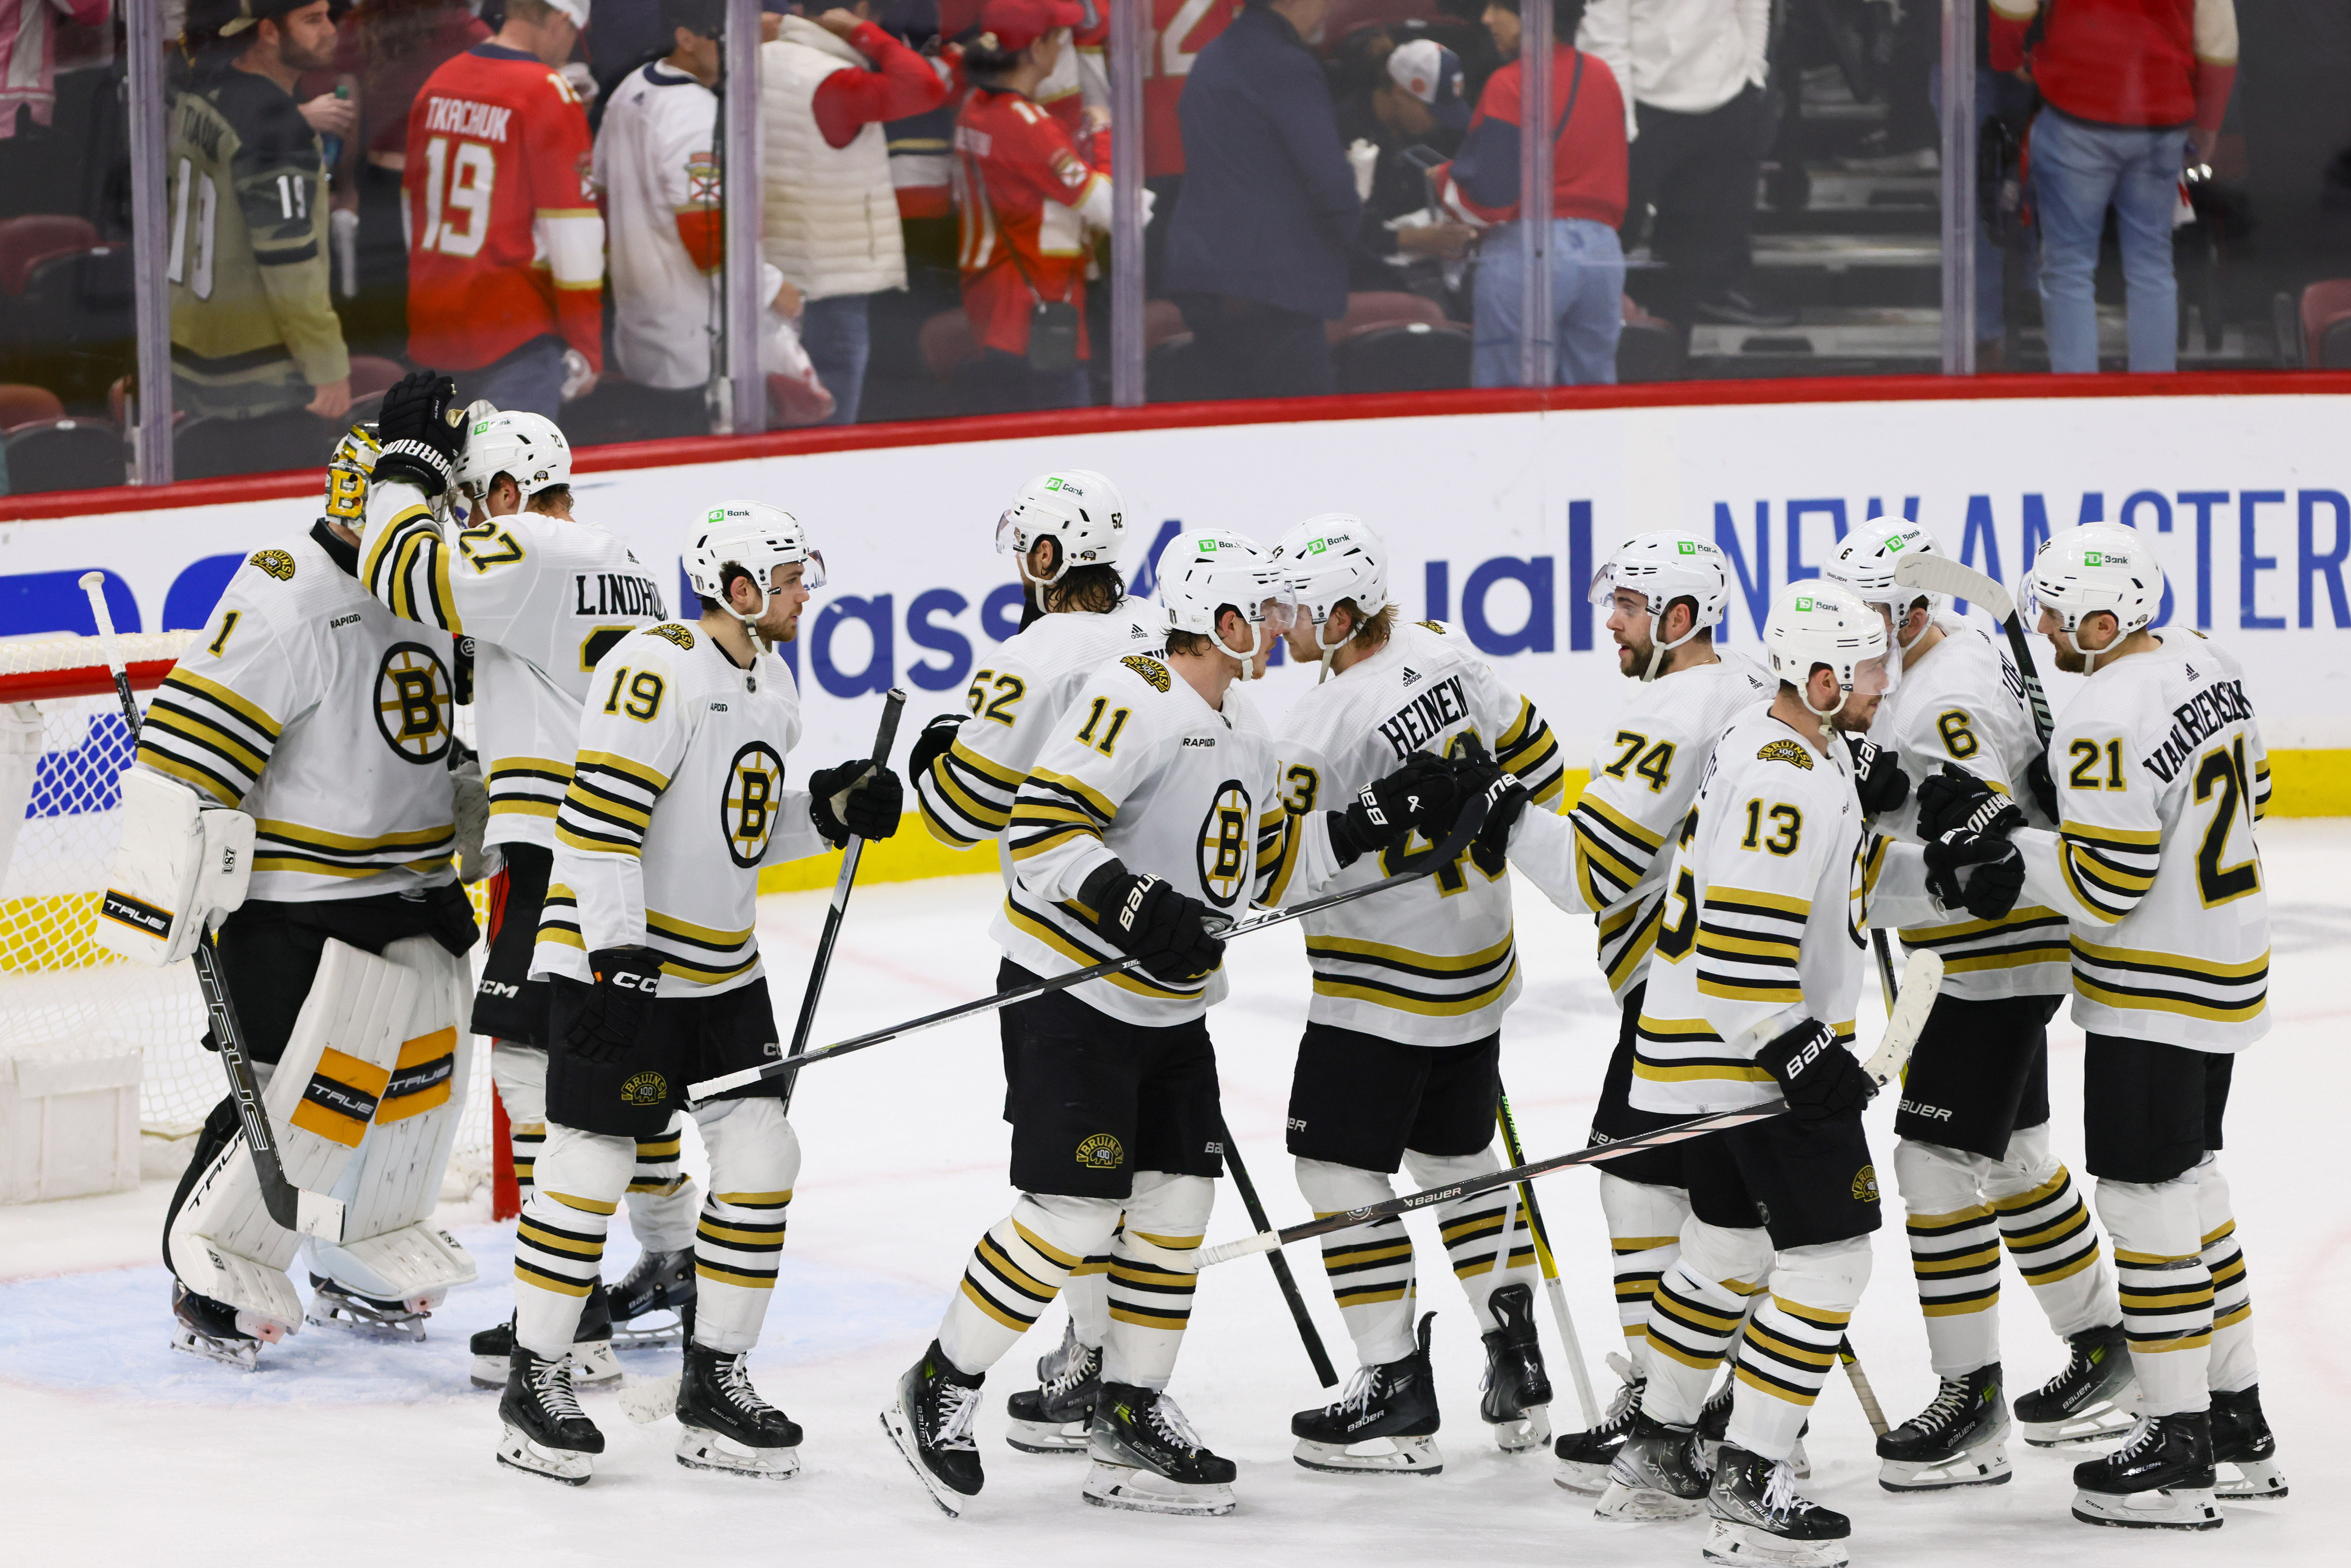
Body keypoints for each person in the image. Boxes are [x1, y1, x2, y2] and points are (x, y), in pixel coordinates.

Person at [883, 528, 1452, 1517]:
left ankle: (1128, 1411)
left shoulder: (1244, 723)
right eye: (1265, 613)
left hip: (1171, 1012)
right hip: (1075, 995)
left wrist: (1379, 815)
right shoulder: (1132, 700)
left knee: (1176, 1213)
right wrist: (1137, 906)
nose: (1280, 628)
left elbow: (1266, 869)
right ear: (1226, 622)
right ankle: (936, 1387)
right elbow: (1038, 836)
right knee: (1072, 1215)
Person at [470, 468, 904, 1482]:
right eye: (791, 578)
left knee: (762, 1158)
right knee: (588, 1162)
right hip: (617, 963)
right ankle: (536, 1384)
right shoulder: (656, 664)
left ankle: (716, 1378)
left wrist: (830, 813)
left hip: (723, 974)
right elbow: (601, 816)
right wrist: (618, 956)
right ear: (739, 584)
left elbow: (739, 836)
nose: (807, 593)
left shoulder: (770, 680)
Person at [1489, 579, 1902, 1565]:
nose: (1887, 687)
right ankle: (1754, 1475)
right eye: (1872, 670)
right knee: (1833, 1256)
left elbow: (1807, 897)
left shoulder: (1778, 743)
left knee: (1724, 1250)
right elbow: (1743, 940)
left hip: (1699, 1053)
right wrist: (1801, 1049)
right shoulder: (1787, 774)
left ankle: (1660, 1450)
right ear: (1821, 675)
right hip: (1750, 1057)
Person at [1919, 521, 2285, 1524]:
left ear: (2104, 614)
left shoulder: (2103, 712)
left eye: (2053, 609)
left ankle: (2176, 1445)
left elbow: (2104, 886)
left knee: (2141, 1195)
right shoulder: (2208, 659)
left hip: (2155, 986)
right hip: (2229, 961)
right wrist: (2053, 816)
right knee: (2194, 1182)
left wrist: (2008, 841)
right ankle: (2233, 1408)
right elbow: (2258, 789)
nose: (2038, 625)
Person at [107, 417, 480, 1370]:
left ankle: (361, 1246)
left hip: (413, 887)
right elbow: (189, 754)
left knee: (413, 1087)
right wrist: (173, 884)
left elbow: (448, 742)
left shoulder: (435, 596)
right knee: (295, 1094)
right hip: (296, 905)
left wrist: (468, 825)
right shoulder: (285, 595)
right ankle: (218, 1259)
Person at [349, 381, 699, 1384]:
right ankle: (675, 1261)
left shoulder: (533, 549)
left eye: (471, 499)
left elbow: (399, 572)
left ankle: (572, 1312)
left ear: (508, 488)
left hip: (559, 852)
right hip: (624, 855)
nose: (465, 519)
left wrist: (407, 466)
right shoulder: (624, 561)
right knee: (618, 1082)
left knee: (537, 1082)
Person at [1820, 517, 2130, 1487]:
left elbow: (1981, 848)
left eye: (1866, 610)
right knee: (2018, 1159)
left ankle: (1972, 1400)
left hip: (1991, 954)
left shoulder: (1944, 695)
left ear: (1910, 609)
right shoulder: (1938, 658)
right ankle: (2106, 1345)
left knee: (1935, 1162)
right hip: (1991, 951)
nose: (1849, 625)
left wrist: (1870, 853)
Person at [1266, 516, 1572, 1475]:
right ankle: (1513, 1352)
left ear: (1344, 611)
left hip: (1380, 988)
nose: (1281, 622)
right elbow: (1547, 767)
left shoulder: (1322, 725)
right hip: (1479, 968)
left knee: (1331, 1167)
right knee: (1457, 1159)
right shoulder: (1452, 652)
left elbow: (1280, 870)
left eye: (1299, 608)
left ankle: (1393, 1378)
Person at [1495, 531, 1772, 1492]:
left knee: (1648, 1183)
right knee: (1696, 1192)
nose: (1608, 620)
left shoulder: (1674, 707)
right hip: (1736, 985)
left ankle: (1677, 1404)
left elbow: (1586, 875)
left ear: (1680, 619)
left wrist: (1498, 810)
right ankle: (1704, 1393)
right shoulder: (1745, 680)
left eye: (1629, 606)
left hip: (1678, 994)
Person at [906, 466, 1162, 1452]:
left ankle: (1072, 1367)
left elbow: (959, 814)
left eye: (1027, 551)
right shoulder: (1156, 634)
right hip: (1161, 951)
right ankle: (1102, 1366)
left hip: (1061, 958)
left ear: (1048, 558)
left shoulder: (1042, 648)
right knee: (1141, 1180)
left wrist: (939, 754)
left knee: (1075, 1185)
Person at [601, 0, 833, 437]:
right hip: (690, 347)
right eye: (720, 36)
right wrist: (769, 288)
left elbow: (601, 196)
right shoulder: (693, 113)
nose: (734, 47)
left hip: (638, 330)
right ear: (685, 38)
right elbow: (704, 236)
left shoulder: (629, 90)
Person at [1990, 0, 2238, 373]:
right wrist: (2209, 120)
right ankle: (2154, 392)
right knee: (2152, 264)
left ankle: (2077, 398)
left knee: (2068, 268)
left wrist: (2008, 55)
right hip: (2160, 115)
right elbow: (2219, 38)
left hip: (2076, 109)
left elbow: (2013, 5)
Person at [404, 0, 603, 417]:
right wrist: (586, 343)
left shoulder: (440, 79)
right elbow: (574, 234)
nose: (568, 51)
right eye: (572, 37)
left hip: (437, 328)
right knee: (515, 479)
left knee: (445, 480)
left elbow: (413, 210)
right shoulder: (547, 92)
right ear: (562, 20)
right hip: (516, 332)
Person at [760, 2, 952, 425]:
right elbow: (926, 87)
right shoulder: (834, 81)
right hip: (833, 275)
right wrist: (866, 34)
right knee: (828, 421)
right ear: (862, 11)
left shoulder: (756, 59)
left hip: (770, 270)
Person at [168, 0, 352, 435]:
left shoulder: (202, 95)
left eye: (328, 16)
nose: (330, 30)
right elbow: (290, 265)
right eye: (312, 20)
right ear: (269, 32)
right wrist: (327, 366)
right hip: (258, 382)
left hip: (190, 356)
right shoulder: (275, 126)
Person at [1163, 0, 1361, 399]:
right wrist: (1366, 240)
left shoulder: (1213, 56)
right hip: (1272, 287)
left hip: (1206, 277)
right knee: (1297, 438)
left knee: (1231, 430)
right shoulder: (1284, 65)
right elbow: (1329, 182)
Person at [1438, 0, 1627, 386]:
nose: (1487, 18)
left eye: (1499, 8)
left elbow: (1490, 199)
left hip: (1529, 249)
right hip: (1603, 255)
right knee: (1593, 405)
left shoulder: (1510, 82)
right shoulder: (1602, 75)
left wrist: (1441, 180)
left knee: (1508, 406)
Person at [1576, 0, 1791, 329]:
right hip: (1640, 97)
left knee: (1706, 239)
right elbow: (1604, 34)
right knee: (1609, 226)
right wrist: (1619, 121)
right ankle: (1590, 304)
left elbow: (1752, 4)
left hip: (1727, 90)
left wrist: (1752, 70)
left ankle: (1711, 293)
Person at [950, 0, 1111, 412]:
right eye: (1057, 38)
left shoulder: (976, 108)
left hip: (993, 305)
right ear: (1037, 49)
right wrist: (1106, 136)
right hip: (1036, 309)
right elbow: (1113, 209)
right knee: (1065, 457)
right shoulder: (1027, 125)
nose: (1061, 48)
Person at [328, 0, 490, 356]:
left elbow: (349, 117)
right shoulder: (468, 30)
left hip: (382, 179)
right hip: (445, 184)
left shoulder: (357, 27)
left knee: (384, 314)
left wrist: (347, 187)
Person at [1334, 36, 1478, 295]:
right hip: (1361, 280)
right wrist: (1408, 240)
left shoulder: (1440, 134)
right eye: (1433, 112)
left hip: (1431, 272)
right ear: (1401, 93)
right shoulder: (1342, 132)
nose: (1439, 122)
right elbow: (1333, 226)